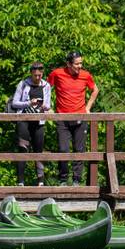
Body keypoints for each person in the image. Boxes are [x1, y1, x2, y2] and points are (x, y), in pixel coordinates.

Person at [47, 51, 99, 186]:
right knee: (63, 149)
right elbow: (46, 88)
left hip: (80, 117)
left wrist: (88, 108)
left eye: (81, 63)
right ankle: (63, 179)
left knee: (79, 149)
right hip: (62, 118)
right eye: (77, 64)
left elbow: (95, 90)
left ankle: (76, 180)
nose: (79, 66)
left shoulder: (85, 75)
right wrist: (48, 107)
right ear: (68, 64)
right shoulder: (57, 73)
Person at [10, 61, 52, 186]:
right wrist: (29, 103)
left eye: (40, 75)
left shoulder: (46, 85)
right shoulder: (23, 84)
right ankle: (20, 181)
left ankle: (40, 181)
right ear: (31, 74)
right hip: (24, 120)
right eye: (35, 75)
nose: (37, 78)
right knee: (23, 149)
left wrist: (43, 106)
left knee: (38, 150)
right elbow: (14, 103)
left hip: (39, 120)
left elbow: (49, 105)